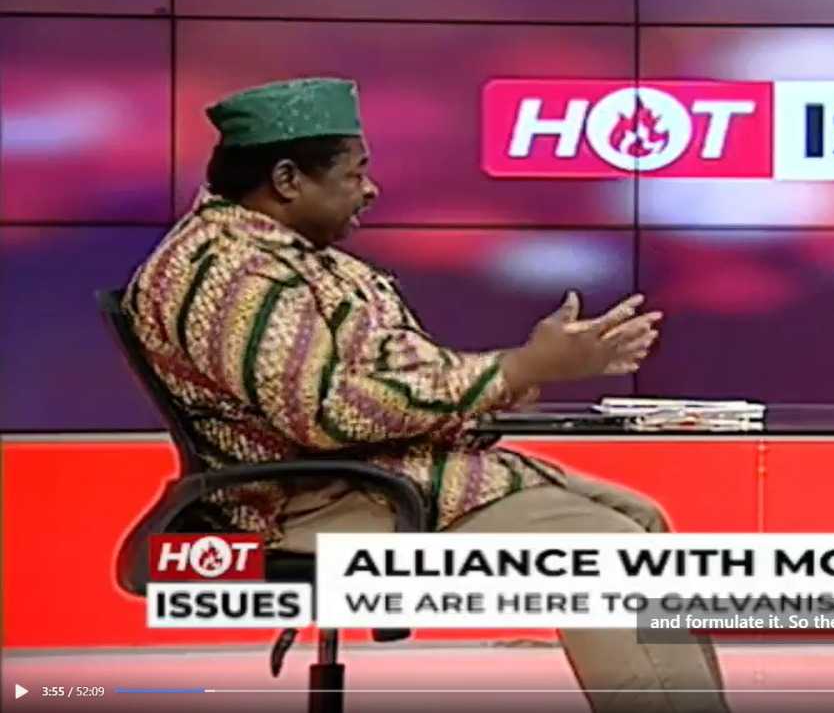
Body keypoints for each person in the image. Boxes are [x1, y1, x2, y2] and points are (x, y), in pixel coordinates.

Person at [124, 77, 727, 713]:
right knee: (607, 553)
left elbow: (402, 372)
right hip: (310, 502)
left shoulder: (302, 258)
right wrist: (514, 369)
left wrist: (512, 379)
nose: (370, 190)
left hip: (388, 478)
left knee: (642, 521)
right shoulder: (232, 271)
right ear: (287, 179)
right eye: (355, 173)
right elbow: (327, 413)